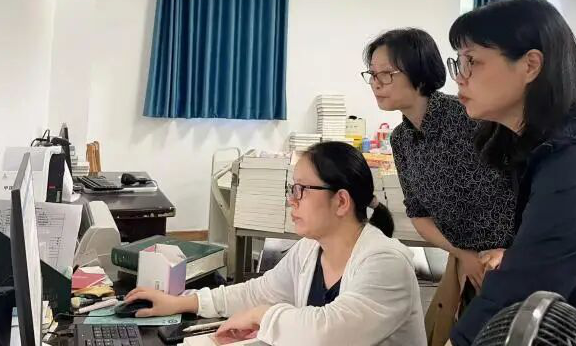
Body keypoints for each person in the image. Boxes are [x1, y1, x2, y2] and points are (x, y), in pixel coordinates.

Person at [446, 0, 576, 346]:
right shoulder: (540, 141)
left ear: (530, 65)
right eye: (458, 62)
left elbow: (517, 294)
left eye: (472, 61)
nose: (460, 78)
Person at [125, 141, 427, 346]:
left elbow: (329, 332)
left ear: (341, 201)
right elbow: (258, 291)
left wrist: (261, 316)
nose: (291, 200)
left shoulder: (386, 261)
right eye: (291, 188)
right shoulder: (310, 249)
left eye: (301, 190)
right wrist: (182, 302)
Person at [363, 29, 515, 344]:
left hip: (514, 260)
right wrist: (463, 254)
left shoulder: (470, 117)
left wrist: (509, 253)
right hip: (468, 264)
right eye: (372, 74)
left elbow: (525, 185)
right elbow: (418, 214)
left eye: (386, 74)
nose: (376, 83)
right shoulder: (402, 140)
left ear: (418, 72)